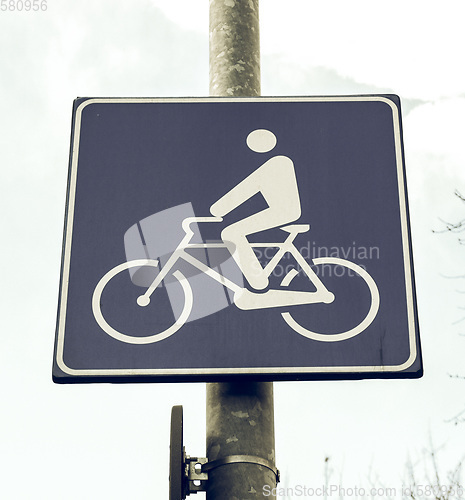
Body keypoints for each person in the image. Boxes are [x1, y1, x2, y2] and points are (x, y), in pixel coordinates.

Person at [210, 129, 301, 290]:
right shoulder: (278, 162)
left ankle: (259, 284)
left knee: (231, 233)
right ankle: (258, 281)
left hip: (284, 211)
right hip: (281, 210)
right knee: (233, 232)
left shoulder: (277, 163)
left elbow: (247, 188)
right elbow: (248, 188)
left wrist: (217, 211)